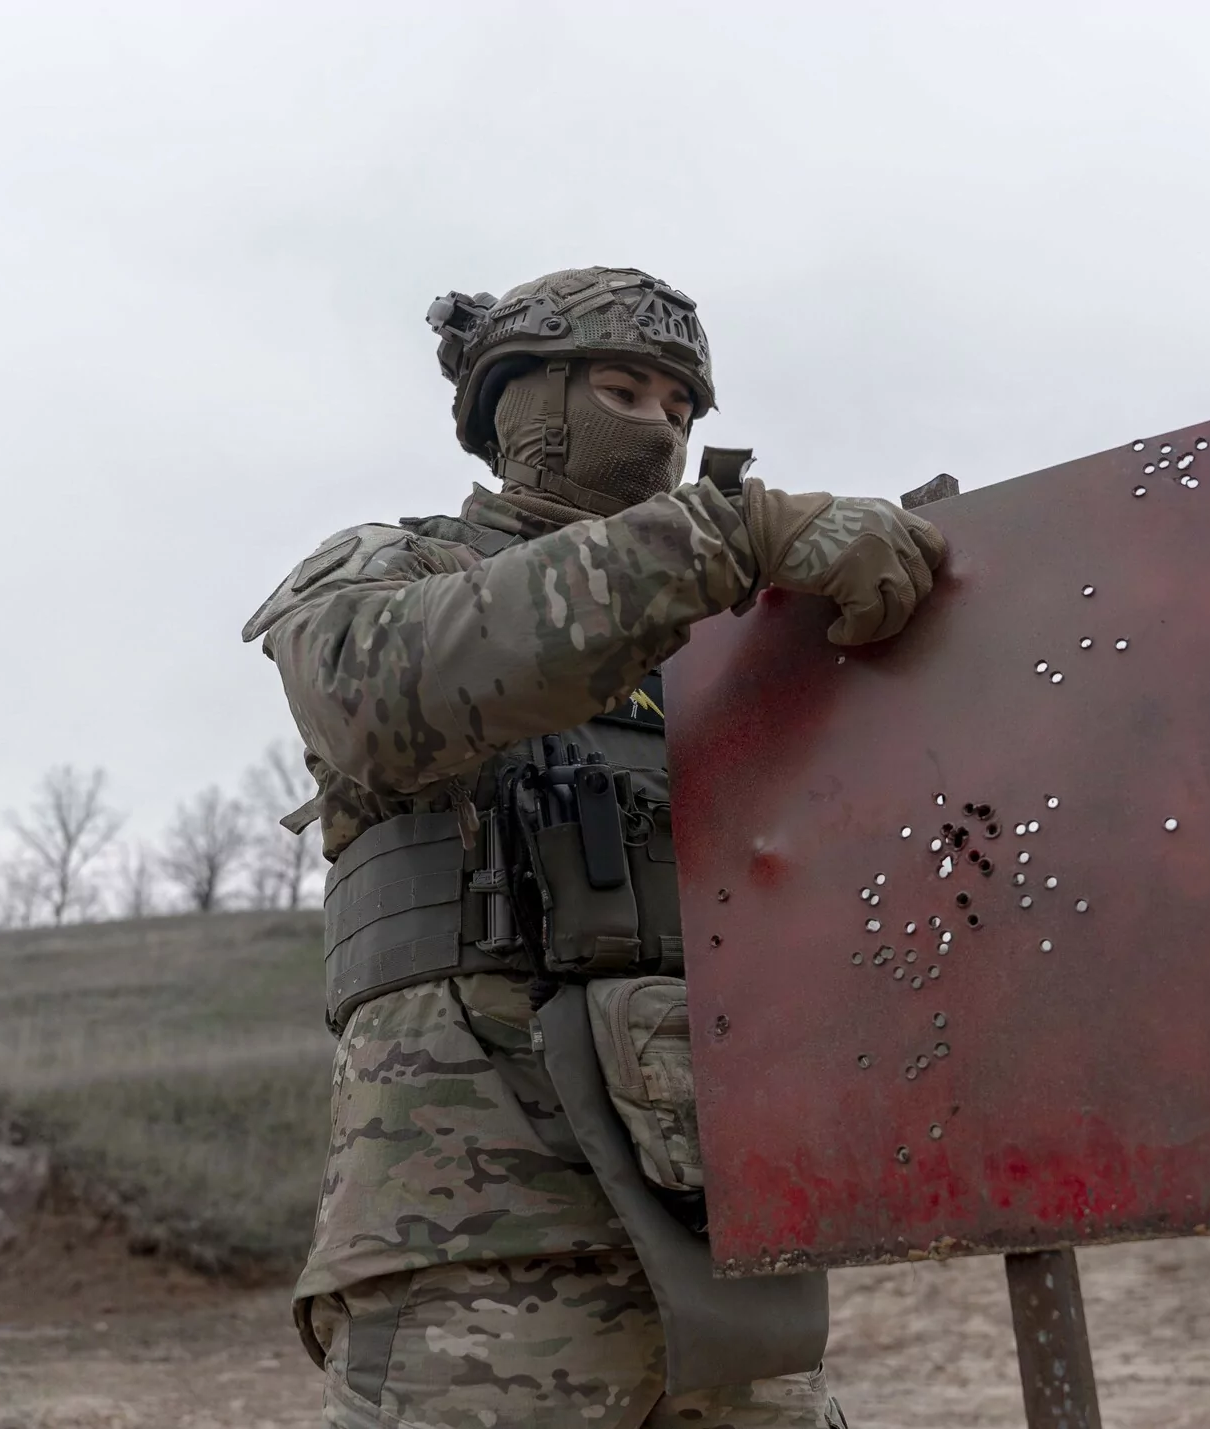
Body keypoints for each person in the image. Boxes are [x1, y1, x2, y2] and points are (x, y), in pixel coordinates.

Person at [243, 266, 946, 1428]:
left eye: (682, 410)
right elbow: (381, 695)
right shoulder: (391, 571)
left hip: (725, 1236)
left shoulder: (728, 648)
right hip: (479, 1241)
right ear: (519, 408)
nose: (661, 429)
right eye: (624, 390)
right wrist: (736, 536)